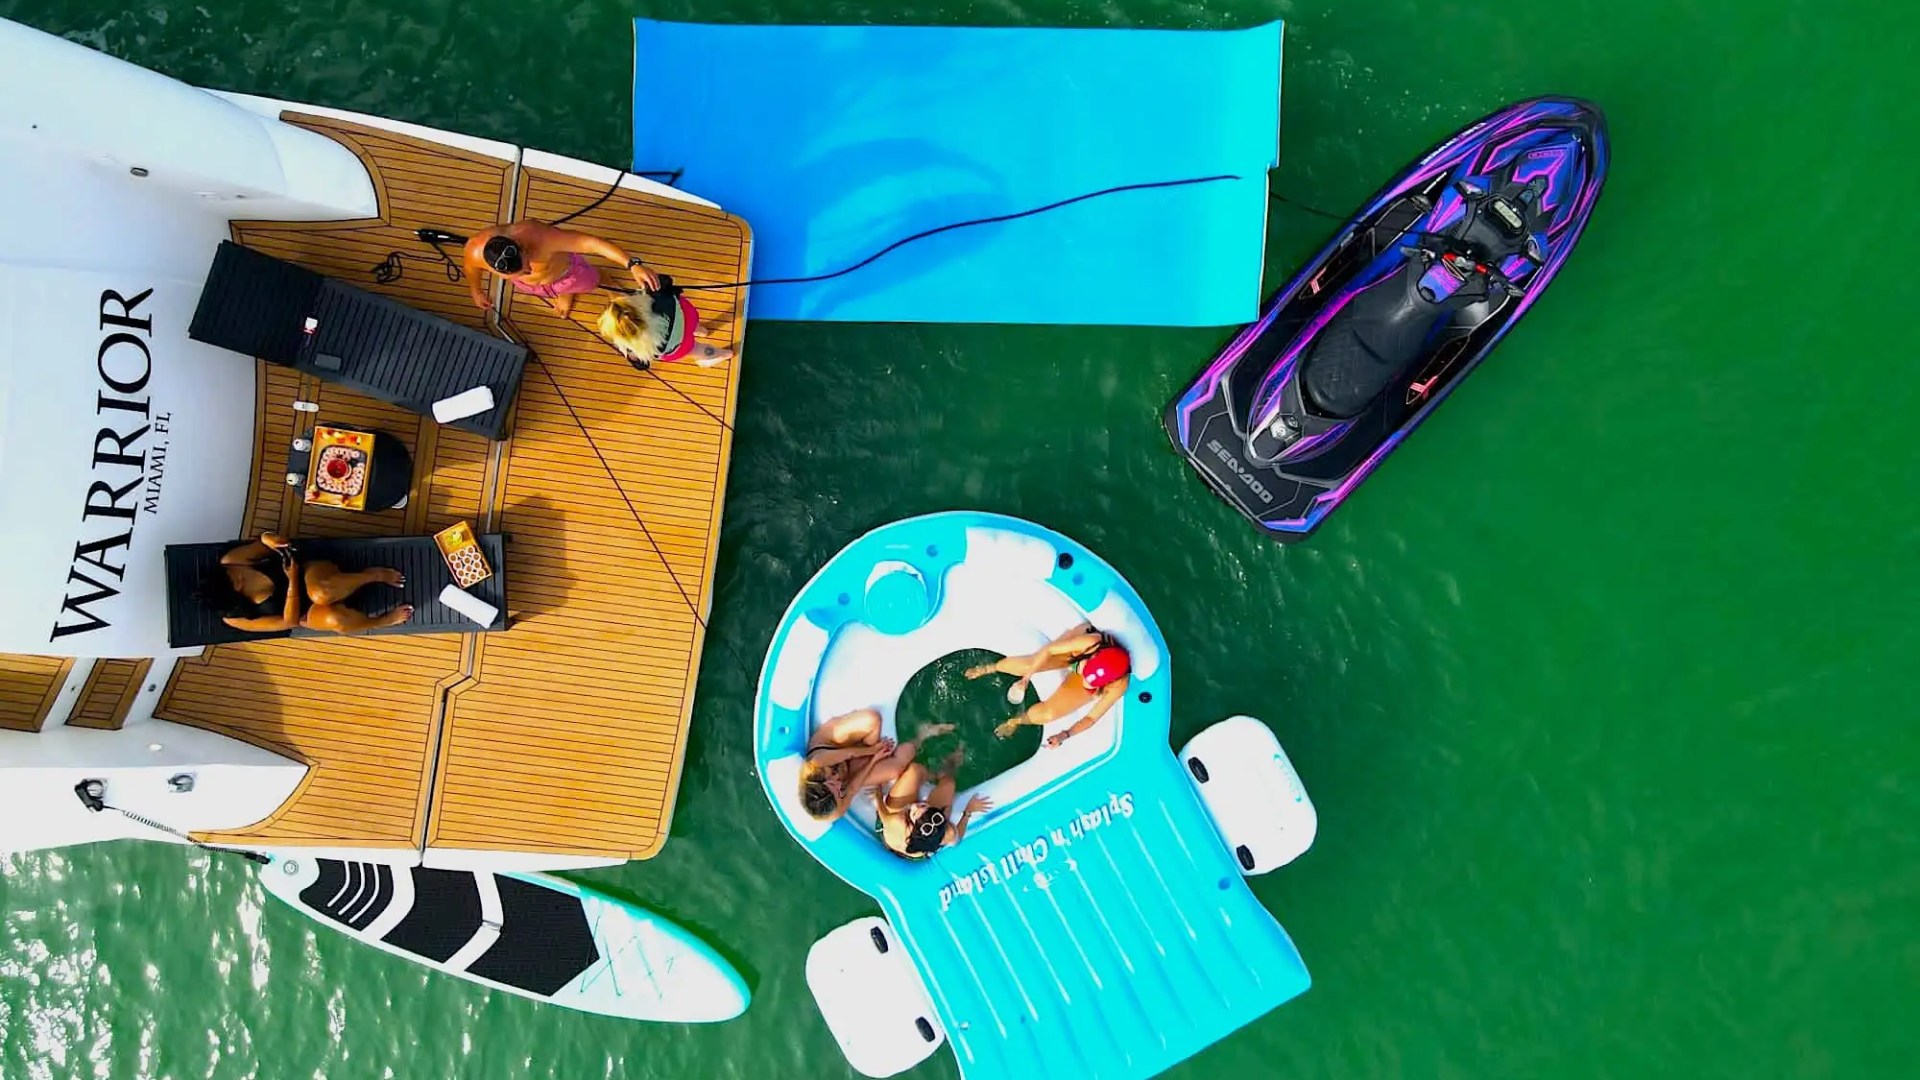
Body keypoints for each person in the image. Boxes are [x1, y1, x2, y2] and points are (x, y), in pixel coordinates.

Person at [194, 532, 414, 634]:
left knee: (320, 594)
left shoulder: (232, 561)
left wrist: (269, 538)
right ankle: (379, 622)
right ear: (235, 593)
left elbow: (266, 543)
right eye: (236, 582)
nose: (239, 576)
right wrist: (291, 582)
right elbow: (289, 621)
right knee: (337, 620)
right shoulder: (238, 619)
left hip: (310, 572)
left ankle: (373, 575)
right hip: (302, 610)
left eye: (233, 573)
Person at [967, 623, 1131, 749]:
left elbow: (1091, 718)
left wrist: (1064, 735)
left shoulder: (1118, 685)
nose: (1083, 678)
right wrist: (1026, 678)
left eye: (1089, 682)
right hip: (1071, 654)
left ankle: (1016, 721)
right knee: (1026, 666)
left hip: (1085, 669)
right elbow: (1050, 650)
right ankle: (989, 668)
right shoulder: (1090, 642)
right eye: (1084, 669)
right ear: (1095, 655)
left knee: (1049, 713)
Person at [463, 220, 659, 319]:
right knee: (556, 289)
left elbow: (591, 243)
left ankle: (609, 285)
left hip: (568, 273)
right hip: (536, 286)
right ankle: (564, 294)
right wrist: (476, 291)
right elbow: (471, 268)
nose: (529, 269)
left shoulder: (540, 235)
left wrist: (632, 264)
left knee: (595, 279)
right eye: (522, 271)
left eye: (527, 263)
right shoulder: (474, 250)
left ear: (519, 245)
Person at [877, 745, 992, 859]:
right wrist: (968, 812)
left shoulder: (898, 822)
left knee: (915, 770)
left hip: (896, 825)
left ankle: (935, 772)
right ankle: (942, 769)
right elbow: (957, 839)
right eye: (922, 805)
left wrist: (878, 789)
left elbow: (882, 812)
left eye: (917, 810)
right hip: (907, 832)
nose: (914, 805)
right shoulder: (947, 833)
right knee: (948, 783)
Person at [596, 287, 736, 368]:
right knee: (689, 324)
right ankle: (701, 330)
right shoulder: (648, 297)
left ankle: (724, 354)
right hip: (688, 315)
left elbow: (640, 363)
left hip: (680, 345)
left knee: (696, 349)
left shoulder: (631, 348)